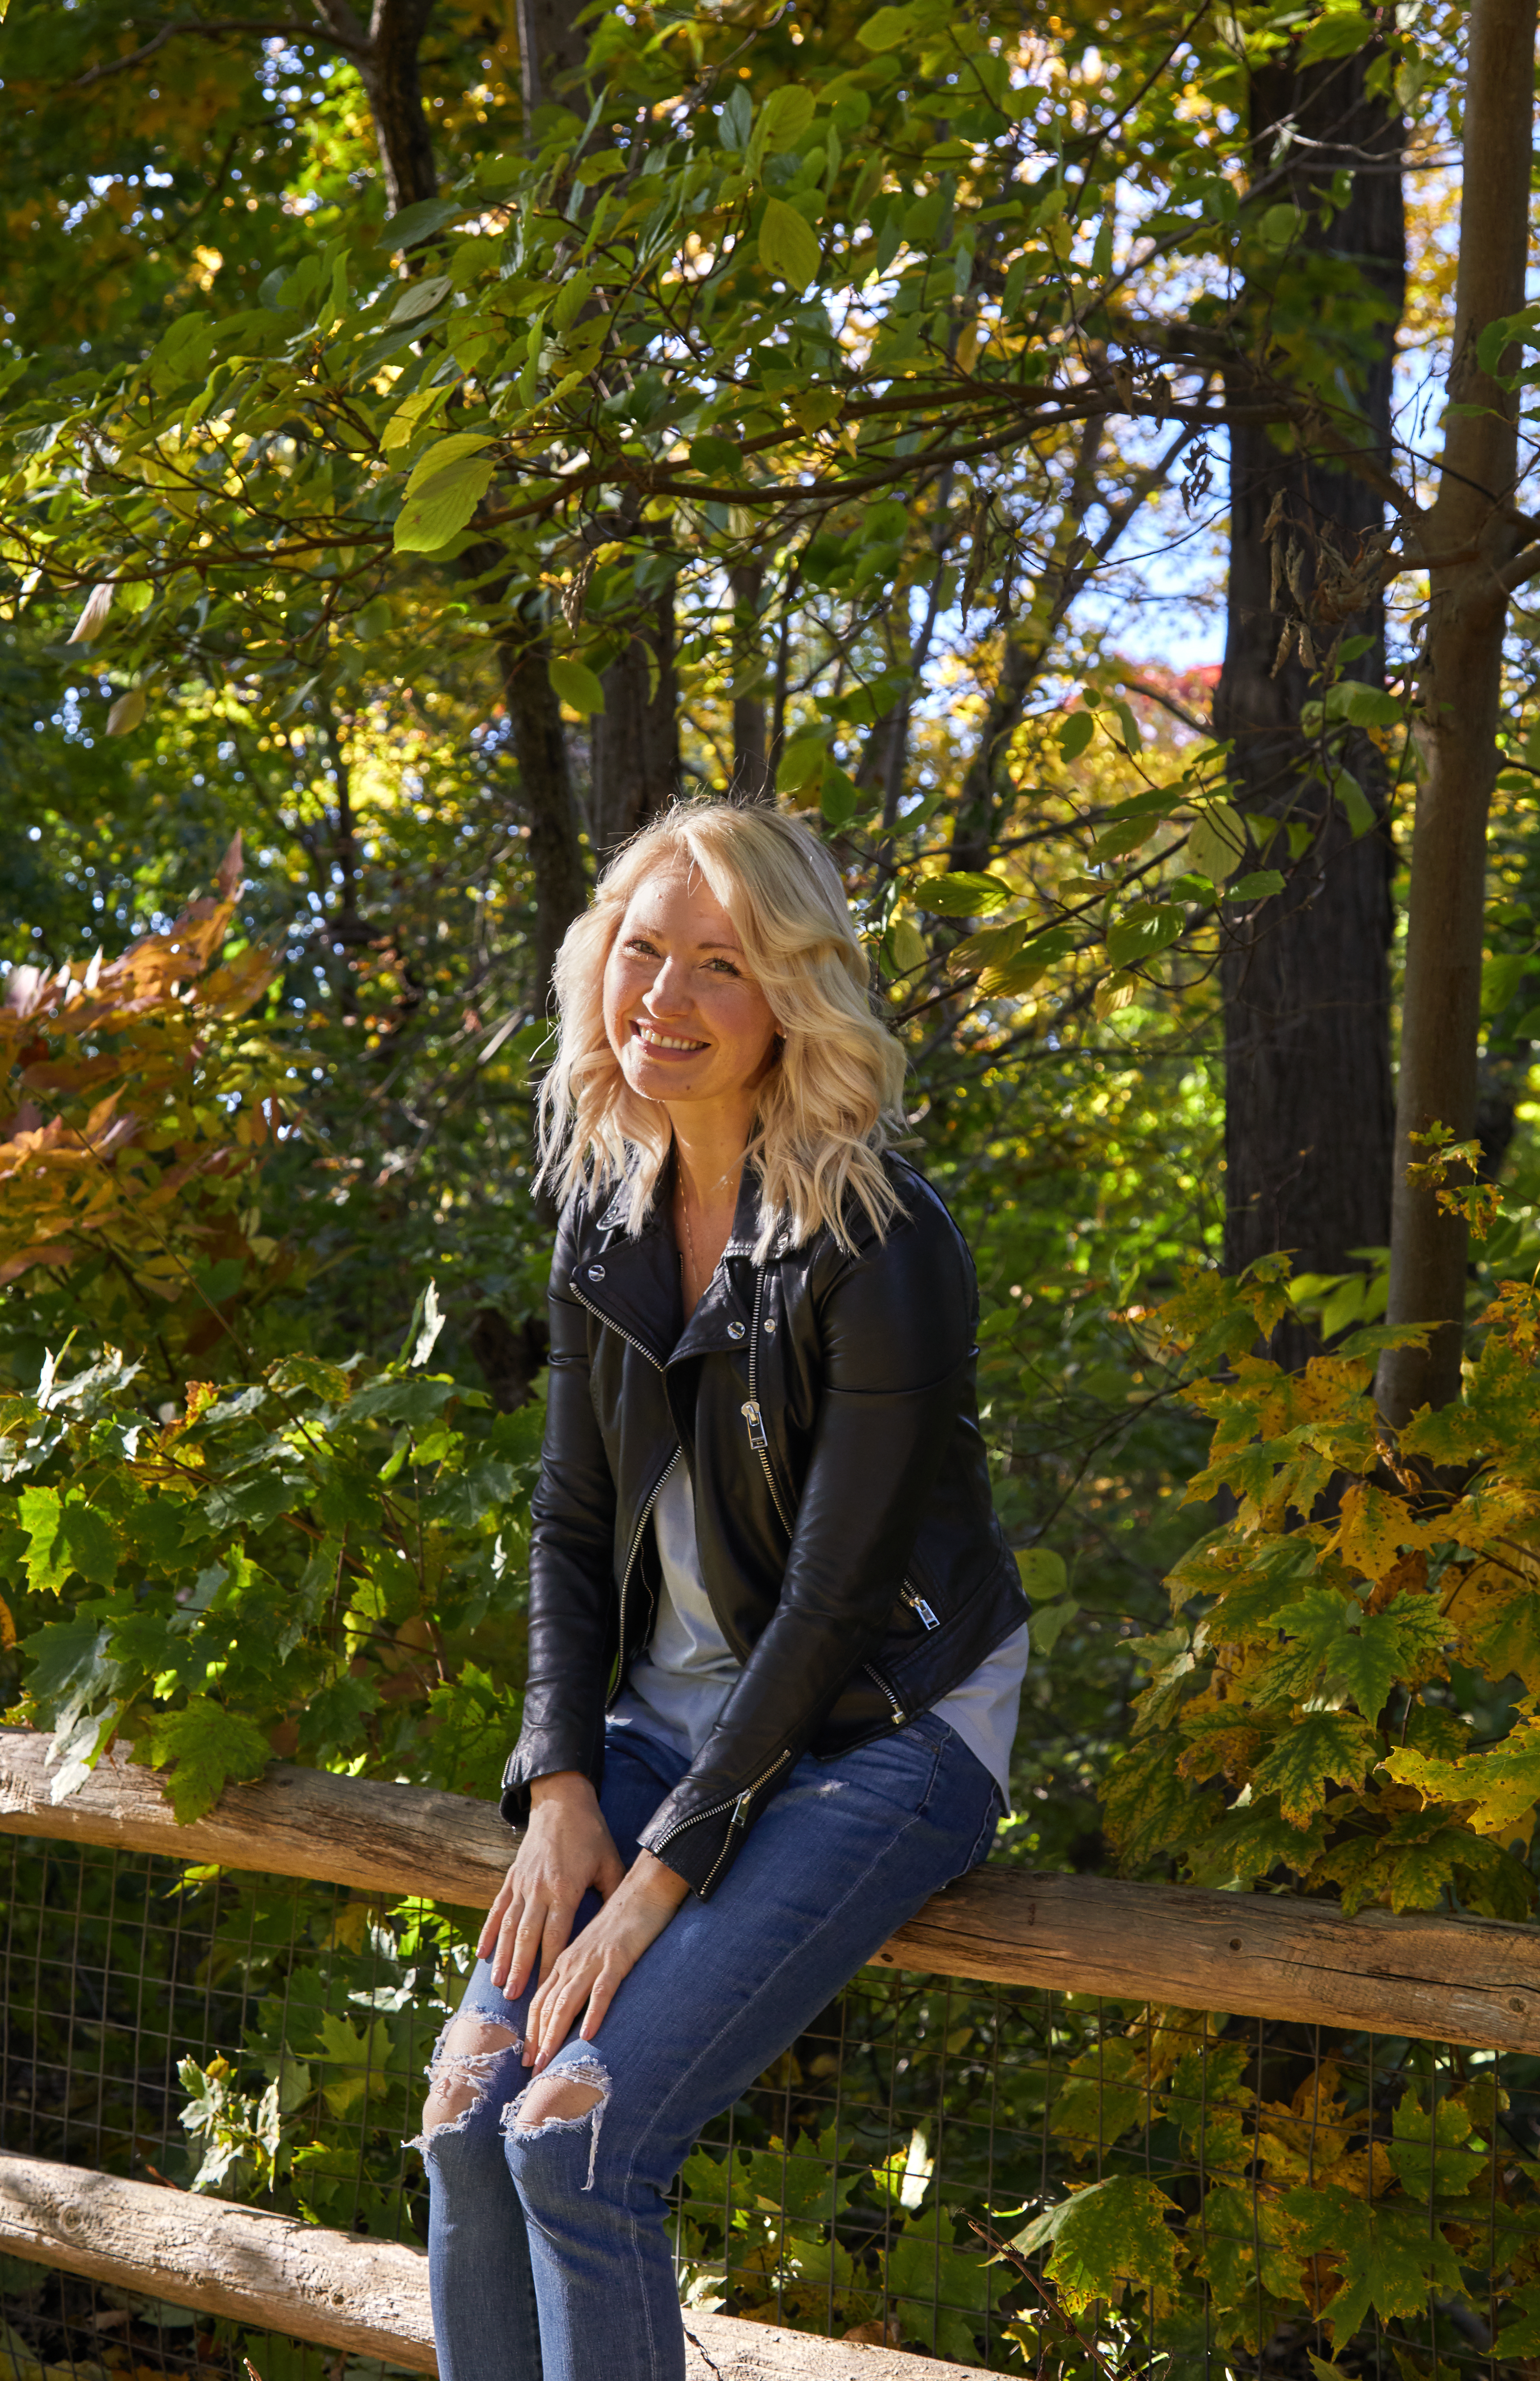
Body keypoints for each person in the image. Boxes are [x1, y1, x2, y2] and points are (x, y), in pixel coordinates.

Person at [417, 799, 1029, 2381]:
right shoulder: (604, 1210)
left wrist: (659, 1870)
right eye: (641, 952)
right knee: (470, 2109)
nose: (664, 1002)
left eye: (722, 964)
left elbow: (836, 1596)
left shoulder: (878, 1235)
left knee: (574, 2133)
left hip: (887, 1732)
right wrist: (558, 1786)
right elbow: (569, 1516)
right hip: (669, 1722)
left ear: (792, 998)